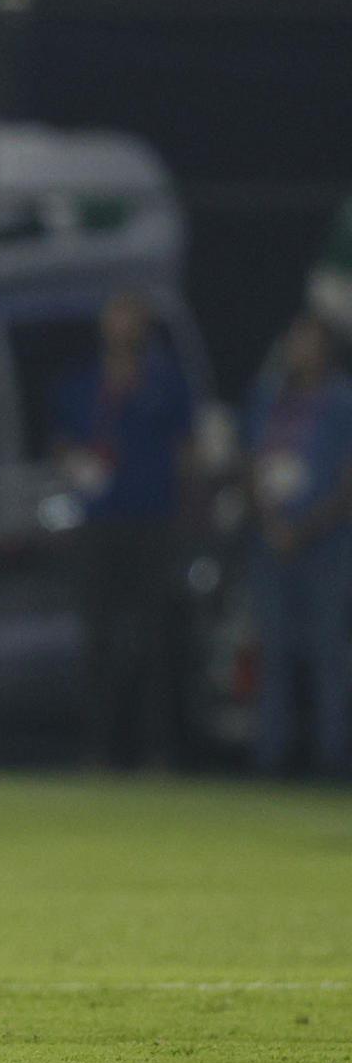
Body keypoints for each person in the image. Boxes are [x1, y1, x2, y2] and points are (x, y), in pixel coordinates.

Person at [48, 290, 196, 768]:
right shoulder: (80, 383)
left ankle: (155, 747)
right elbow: (60, 443)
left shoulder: (166, 381)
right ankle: (97, 747)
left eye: (133, 317)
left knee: (154, 639)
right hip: (99, 523)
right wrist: (74, 465)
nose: (124, 326)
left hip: (152, 521)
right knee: (98, 639)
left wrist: (190, 513)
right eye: (117, 315)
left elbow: (186, 451)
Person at [243, 312, 352, 777]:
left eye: (308, 340)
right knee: (274, 651)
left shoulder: (344, 401)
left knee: (328, 652)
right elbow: (249, 463)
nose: (298, 348)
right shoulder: (268, 396)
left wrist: (304, 529)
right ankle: (272, 754)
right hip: (271, 545)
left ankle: (332, 756)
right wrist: (271, 524)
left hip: (326, 547)